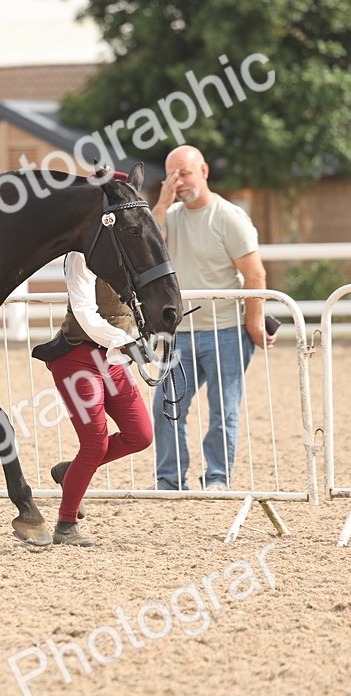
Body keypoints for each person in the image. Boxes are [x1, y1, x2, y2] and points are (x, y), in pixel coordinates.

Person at [150, 145, 275, 491]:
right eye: (172, 175)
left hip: (226, 332)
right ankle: (169, 480)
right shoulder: (170, 216)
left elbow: (255, 275)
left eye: (185, 173)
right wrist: (162, 201)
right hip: (180, 334)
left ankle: (217, 478)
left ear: (203, 171)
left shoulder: (229, 217)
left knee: (223, 411)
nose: (179, 181)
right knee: (166, 407)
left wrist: (253, 323)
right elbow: (148, 244)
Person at [38, 246, 153, 546]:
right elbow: (85, 314)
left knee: (140, 435)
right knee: (94, 443)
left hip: (113, 360)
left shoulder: (131, 256)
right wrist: (127, 342)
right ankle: (65, 524)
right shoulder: (80, 257)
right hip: (77, 358)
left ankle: (70, 472)